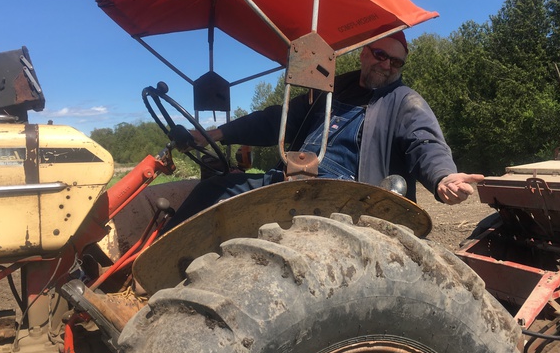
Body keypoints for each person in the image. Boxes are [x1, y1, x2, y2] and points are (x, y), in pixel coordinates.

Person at [163, 30, 484, 232]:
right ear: (364, 52)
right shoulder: (331, 91)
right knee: (212, 190)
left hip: (344, 194)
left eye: (396, 63)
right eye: (381, 55)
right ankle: (157, 269)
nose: (387, 65)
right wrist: (215, 134)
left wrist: (443, 177)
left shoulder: (403, 101)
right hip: (291, 178)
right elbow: (278, 119)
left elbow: (424, 143)